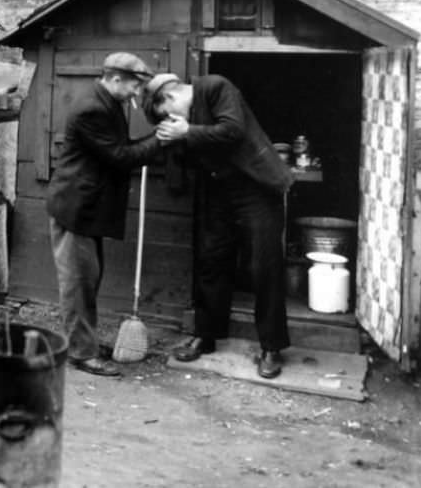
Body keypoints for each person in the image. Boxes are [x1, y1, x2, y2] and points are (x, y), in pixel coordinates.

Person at [143, 72, 292, 379]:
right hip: (219, 192)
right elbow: (187, 150)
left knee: (264, 266)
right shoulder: (185, 123)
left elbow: (233, 130)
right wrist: (171, 143)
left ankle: (271, 347)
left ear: (170, 98)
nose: (173, 120)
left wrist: (187, 131)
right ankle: (206, 335)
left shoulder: (215, 87)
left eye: (169, 115)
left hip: (257, 188)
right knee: (211, 260)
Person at [46, 52, 161, 377]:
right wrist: (162, 139)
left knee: (88, 279)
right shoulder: (93, 109)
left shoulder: (108, 103)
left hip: (87, 209)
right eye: (134, 86)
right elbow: (120, 156)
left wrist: (155, 140)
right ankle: (81, 354)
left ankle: (85, 343)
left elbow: (120, 149)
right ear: (114, 79)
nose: (137, 94)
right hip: (76, 209)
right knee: (78, 284)